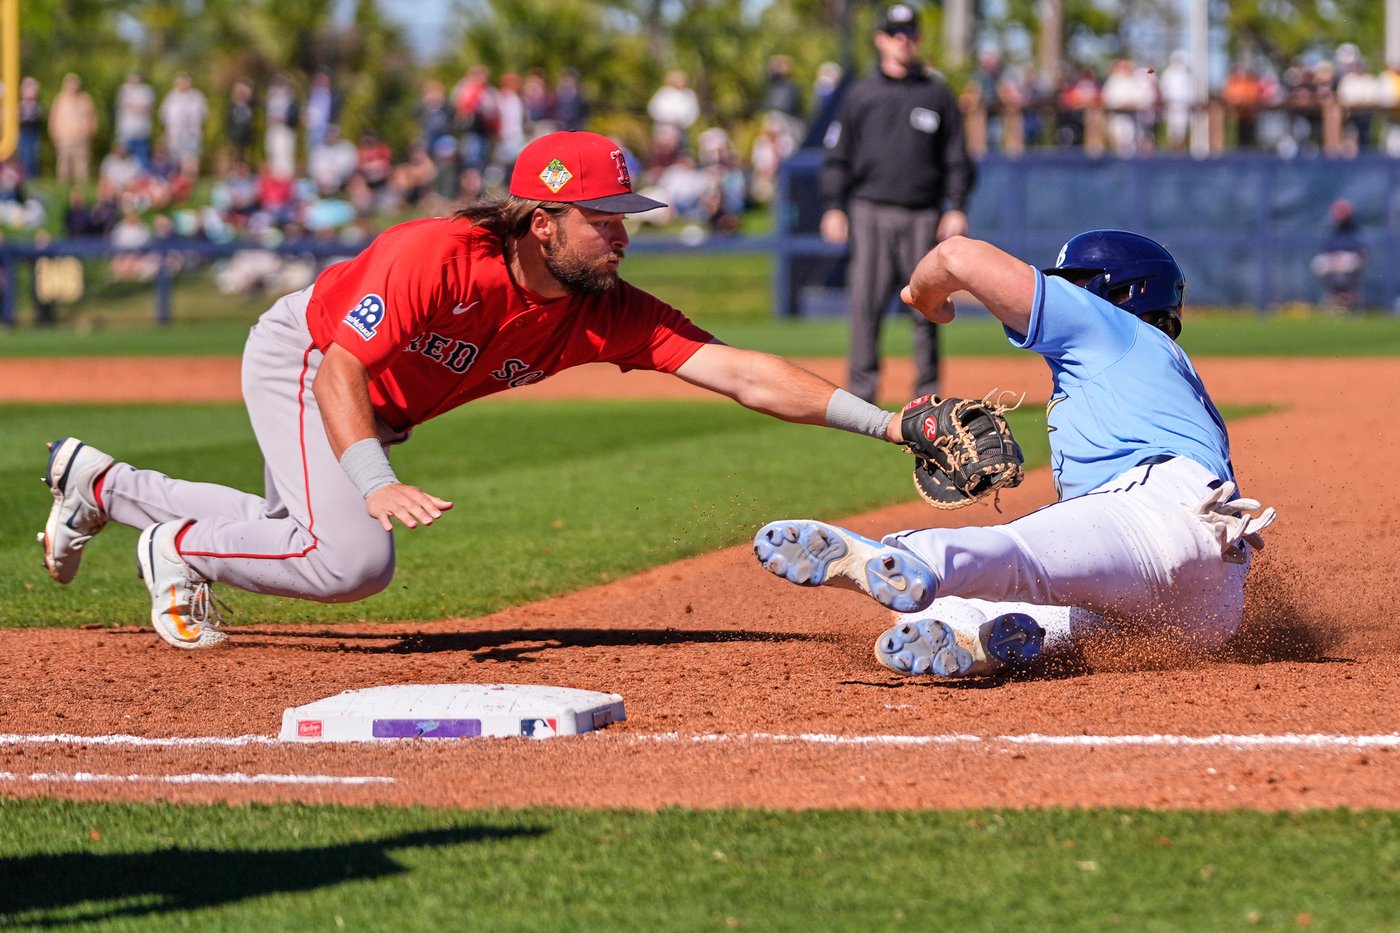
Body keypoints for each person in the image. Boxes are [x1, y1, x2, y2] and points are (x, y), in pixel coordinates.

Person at [38, 131, 912, 650]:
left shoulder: (606, 308)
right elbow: (341, 367)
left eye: (625, 216)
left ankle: (102, 486)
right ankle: (180, 547)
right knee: (351, 559)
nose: (622, 235)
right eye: (604, 218)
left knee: (285, 530)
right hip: (308, 357)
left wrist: (889, 425)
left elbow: (743, 372)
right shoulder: (436, 256)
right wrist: (375, 480)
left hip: (371, 396)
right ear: (543, 222)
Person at [754, 229, 1277, 679]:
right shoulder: (1166, 373)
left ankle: (901, 556)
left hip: (1154, 512)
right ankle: (978, 639)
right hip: (1212, 602)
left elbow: (957, 255)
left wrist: (922, 296)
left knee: (1012, 557)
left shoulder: (1109, 327)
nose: (1062, 293)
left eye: (1074, 284)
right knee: (993, 607)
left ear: (1117, 291)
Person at [819, 2, 975, 403]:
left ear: (918, 38)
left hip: (923, 214)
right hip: (869, 211)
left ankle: (928, 396)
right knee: (865, 306)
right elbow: (837, 155)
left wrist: (956, 205)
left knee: (927, 306)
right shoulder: (861, 94)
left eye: (909, 33)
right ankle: (861, 395)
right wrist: (834, 205)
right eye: (894, 33)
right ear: (880, 39)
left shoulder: (936, 93)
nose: (902, 40)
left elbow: (957, 158)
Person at [1311, 198, 1366, 312]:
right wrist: (1334, 258)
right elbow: (1324, 250)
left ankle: (1348, 296)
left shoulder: (1355, 229)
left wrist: (1342, 257)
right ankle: (1332, 296)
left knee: (1348, 260)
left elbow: (1362, 252)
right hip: (1333, 259)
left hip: (1348, 259)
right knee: (1319, 262)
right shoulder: (1330, 229)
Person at [48, 73, 98, 187]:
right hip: (65, 138)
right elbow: (54, 119)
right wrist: (55, 135)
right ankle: (63, 188)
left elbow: (92, 117)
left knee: (81, 165)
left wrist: (90, 132)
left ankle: (82, 188)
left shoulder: (85, 99)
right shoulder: (60, 100)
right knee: (64, 164)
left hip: (81, 137)